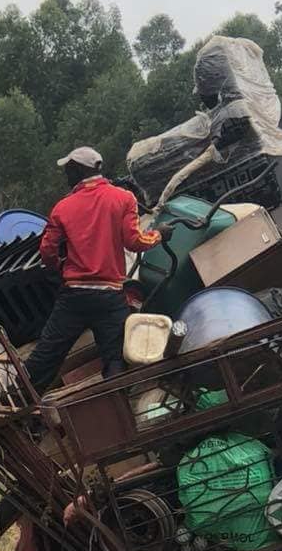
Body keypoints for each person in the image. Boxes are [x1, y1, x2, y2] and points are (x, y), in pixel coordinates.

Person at [24, 146, 173, 394]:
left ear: (79, 170)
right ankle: (117, 409)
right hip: (110, 295)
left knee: (46, 356)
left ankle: (13, 403)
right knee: (115, 359)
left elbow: (47, 252)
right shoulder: (123, 199)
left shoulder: (62, 208)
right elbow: (134, 242)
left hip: (74, 297)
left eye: (69, 169)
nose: (66, 175)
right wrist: (159, 234)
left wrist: (60, 269)